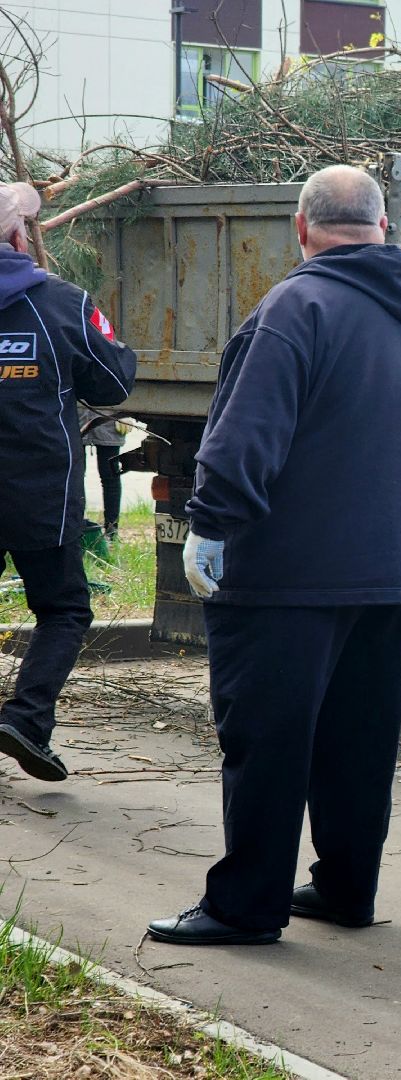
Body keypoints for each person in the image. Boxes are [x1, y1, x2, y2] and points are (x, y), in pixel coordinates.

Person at [147, 165, 401, 945]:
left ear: (301, 228)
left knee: (267, 740)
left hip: (290, 576)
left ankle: (245, 908)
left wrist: (211, 522)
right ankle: (348, 889)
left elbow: (244, 435)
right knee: (359, 743)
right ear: (383, 227)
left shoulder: (296, 307)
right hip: (394, 578)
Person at [0, 181, 136, 783]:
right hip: (40, 495)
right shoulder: (60, 303)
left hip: (38, 493)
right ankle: (27, 720)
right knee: (63, 608)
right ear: (18, 236)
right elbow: (114, 382)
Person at [79, 407, 125, 541]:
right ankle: (78, 527)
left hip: (110, 417)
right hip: (76, 418)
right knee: (75, 477)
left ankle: (112, 530)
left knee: (110, 475)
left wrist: (127, 412)